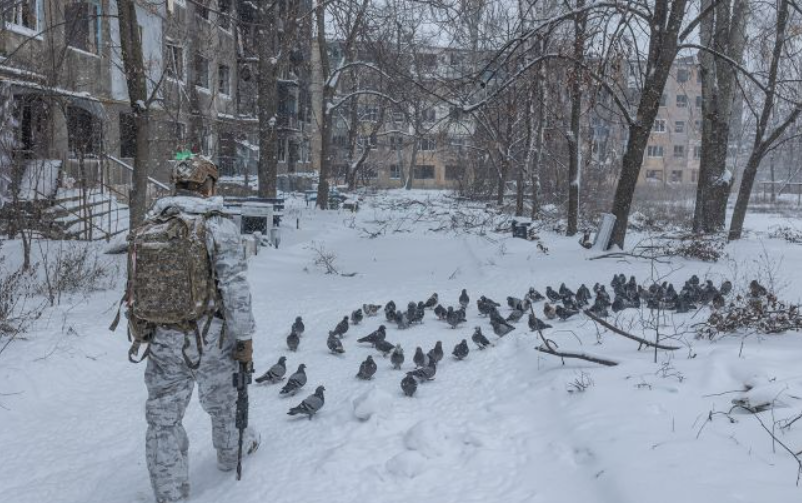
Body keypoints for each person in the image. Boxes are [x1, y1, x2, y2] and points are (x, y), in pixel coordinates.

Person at [134, 156, 258, 502]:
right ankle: (231, 452)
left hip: (162, 337)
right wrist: (244, 338)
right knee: (224, 400)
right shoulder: (217, 226)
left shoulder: (153, 222)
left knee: (163, 419)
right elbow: (234, 287)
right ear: (207, 186)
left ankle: (170, 492)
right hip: (209, 337)